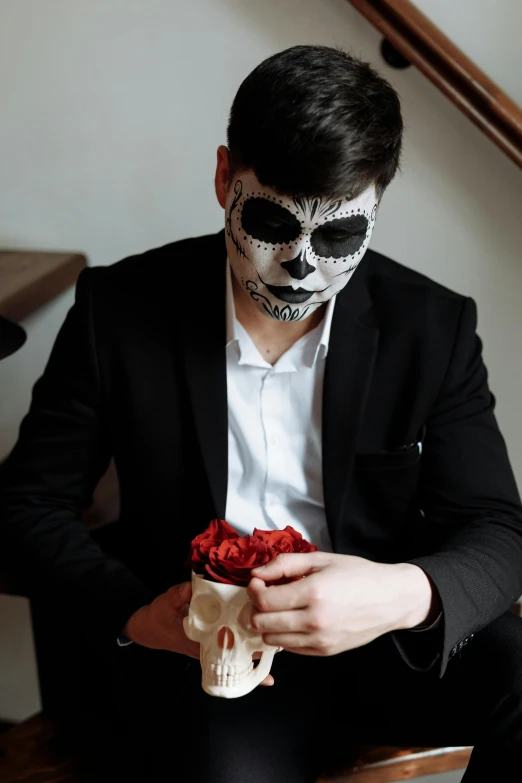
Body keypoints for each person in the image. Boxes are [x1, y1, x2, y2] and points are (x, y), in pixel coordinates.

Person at [1, 43, 522, 783]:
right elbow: (25, 505)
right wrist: (138, 612)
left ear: (377, 206)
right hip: (212, 656)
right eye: (275, 223)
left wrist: (400, 591)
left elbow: (499, 528)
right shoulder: (116, 311)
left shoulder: (431, 326)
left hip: (390, 641)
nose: (301, 264)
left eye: (339, 234)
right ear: (224, 179)